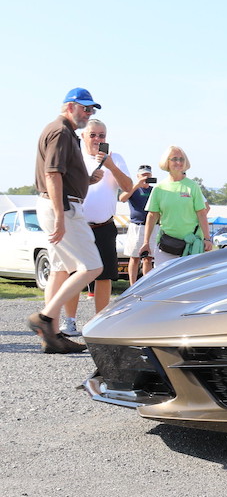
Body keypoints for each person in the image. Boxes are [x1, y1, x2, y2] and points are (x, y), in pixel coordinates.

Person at [27, 88, 104, 353]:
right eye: (85, 108)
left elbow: (60, 173)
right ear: (70, 106)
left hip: (57, 203)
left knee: (60, 271)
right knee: (92, 267)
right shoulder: (61, 131)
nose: (89, 113)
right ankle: (45, 318)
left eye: (91, 109)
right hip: (62, 207)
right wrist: (61, 216)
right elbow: (52, 174)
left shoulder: (62, 131)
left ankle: (52, 337)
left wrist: (86, 180)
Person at [56, 119, 134, 336]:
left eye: (102, 136)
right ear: (83, 136)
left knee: (104, 276)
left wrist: (111, 167)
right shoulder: (75, 157)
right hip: (77, 224)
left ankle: (99, 322)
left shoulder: (115, 158)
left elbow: (128, 188)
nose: (98, 140)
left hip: (104, 225)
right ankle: (69, 321)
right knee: (74, 273)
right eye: (93, 135)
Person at [138, 146, 212, 271]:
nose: (178, 162)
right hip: (166, 246)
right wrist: (146, 242)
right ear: (167, 162)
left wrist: (207, 238)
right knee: (163, 284)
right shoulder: (159, 188)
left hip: (191, 245)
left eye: (181, 159)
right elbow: (152, 216)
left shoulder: (193, 186)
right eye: (174, 159)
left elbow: (202, 213)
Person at [119, 164, 157, 285]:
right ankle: (132, 285)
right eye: (143, 175)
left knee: (148, 258)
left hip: (152, 226)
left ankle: (146, 285)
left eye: (148, 175)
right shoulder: (133, 189)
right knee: (134, 257)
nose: (146, 177)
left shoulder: (154, 190)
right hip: (137, 226)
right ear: (138, 176)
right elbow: (122, 198)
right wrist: (136, 185)